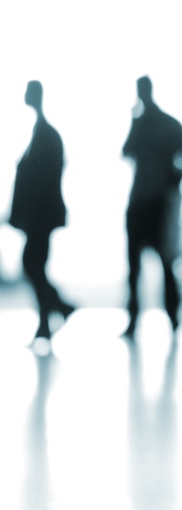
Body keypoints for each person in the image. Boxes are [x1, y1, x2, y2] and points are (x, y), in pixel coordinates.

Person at [121, 75, 182, 337]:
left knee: (161, 264)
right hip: (144, 201)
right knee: (142, 266)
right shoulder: (154, 124)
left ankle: (169, 315)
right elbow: (127, 151)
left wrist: (170, 184)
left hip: (154, 203)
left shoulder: (167, 125)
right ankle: (150, 317)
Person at [8, 80, 75, 340]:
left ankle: (51, 316)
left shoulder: (45, 135)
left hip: (40, 216)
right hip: (39, 216)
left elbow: (40, 180)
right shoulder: (43, 134)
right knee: (34, 265)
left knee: (32, 264)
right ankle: (55, 312)